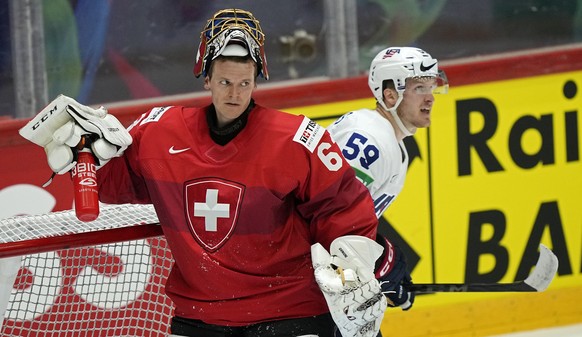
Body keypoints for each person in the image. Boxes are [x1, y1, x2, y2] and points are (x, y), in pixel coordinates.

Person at [19, 9, 413, 337]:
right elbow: (117, 184)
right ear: (206, 79)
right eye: (225, 81)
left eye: (245, 83)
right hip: (202, 317)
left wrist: (354, 264)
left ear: (256, 82)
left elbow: (344, 207)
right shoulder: (159, 132)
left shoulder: (298, 139)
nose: (235, 93)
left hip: (291, 315)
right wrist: (89, 156)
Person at [328, 46, 449, 313]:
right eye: (419, 88)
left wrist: (372, 273)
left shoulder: (391, 144)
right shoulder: (370, 140)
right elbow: (322, 219)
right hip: (297, 282)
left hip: (320, 279)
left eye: (432, 87)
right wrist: (382, 261)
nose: (430, 98)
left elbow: (343, 228)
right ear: (390, 94)